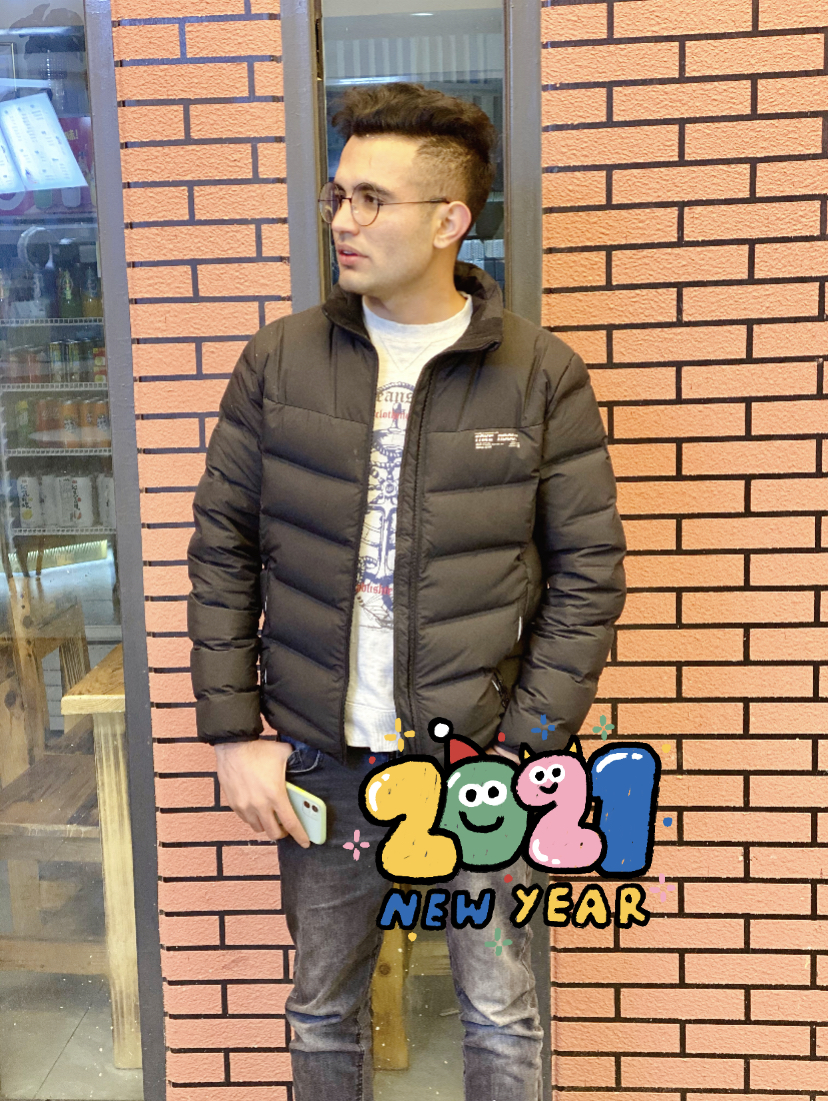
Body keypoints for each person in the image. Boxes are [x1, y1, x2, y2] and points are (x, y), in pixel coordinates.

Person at [187, 81, 626, 1101]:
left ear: (449, 220)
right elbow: (223, 550)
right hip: (322, 758)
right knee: (322, 1009)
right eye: (338, 195)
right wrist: (234, 732)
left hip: (480, 764)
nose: (342, 220)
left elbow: (589, 573)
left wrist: (528, 744)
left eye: (371, 199)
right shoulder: (280, 361)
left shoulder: (539, 375)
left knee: (502, 1012)